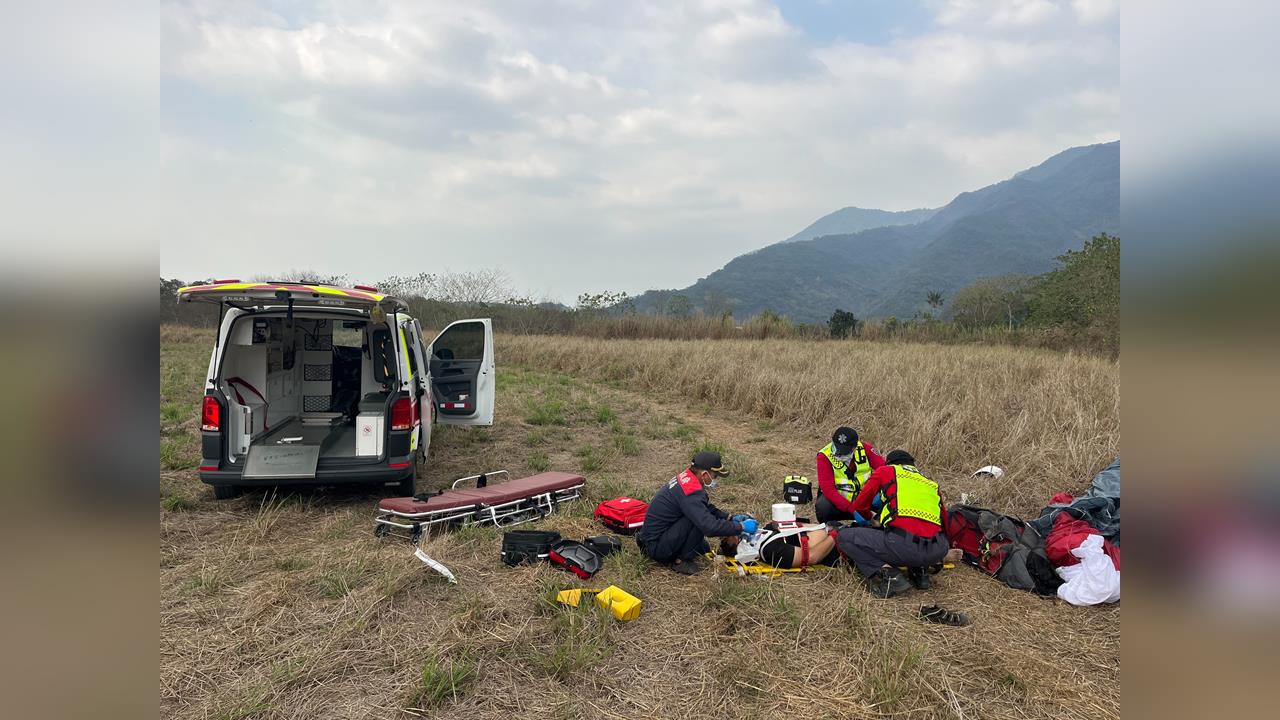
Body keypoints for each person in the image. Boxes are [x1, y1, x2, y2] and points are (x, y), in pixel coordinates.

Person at [836, 450, 950, 597]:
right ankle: (920, 572)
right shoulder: (930, 483)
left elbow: (860, 505)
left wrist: (869, 522)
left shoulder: (886, 471)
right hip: (938, 548)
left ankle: (892, 578)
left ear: (889, 463)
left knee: (844, 537)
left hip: (903, 545)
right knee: (914, 532)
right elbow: (945, 522)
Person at [637, 451, 756, 575]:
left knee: (701, 536)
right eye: (715, 476)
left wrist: (729, 517)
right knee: (698, 521)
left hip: (654, 538)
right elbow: (709, 527)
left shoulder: (688, 478)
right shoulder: (691, 492)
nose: (715, 480)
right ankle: (680, 561)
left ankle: (683, 549)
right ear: (704, 474)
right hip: (657, 547)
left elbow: (703, 507)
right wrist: (740, 527)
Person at [815, 426, 885, 523]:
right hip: (840, 502)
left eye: (843, 451)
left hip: (865, 501)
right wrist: (852, 509)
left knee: (885, 500)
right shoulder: (824, 456)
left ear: (854, 448)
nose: (838, 453)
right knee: (823, 506)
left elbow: (886, 470)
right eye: (836, 448)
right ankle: (831, 527)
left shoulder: (866, 450)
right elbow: (828, 489)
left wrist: (881, 493)